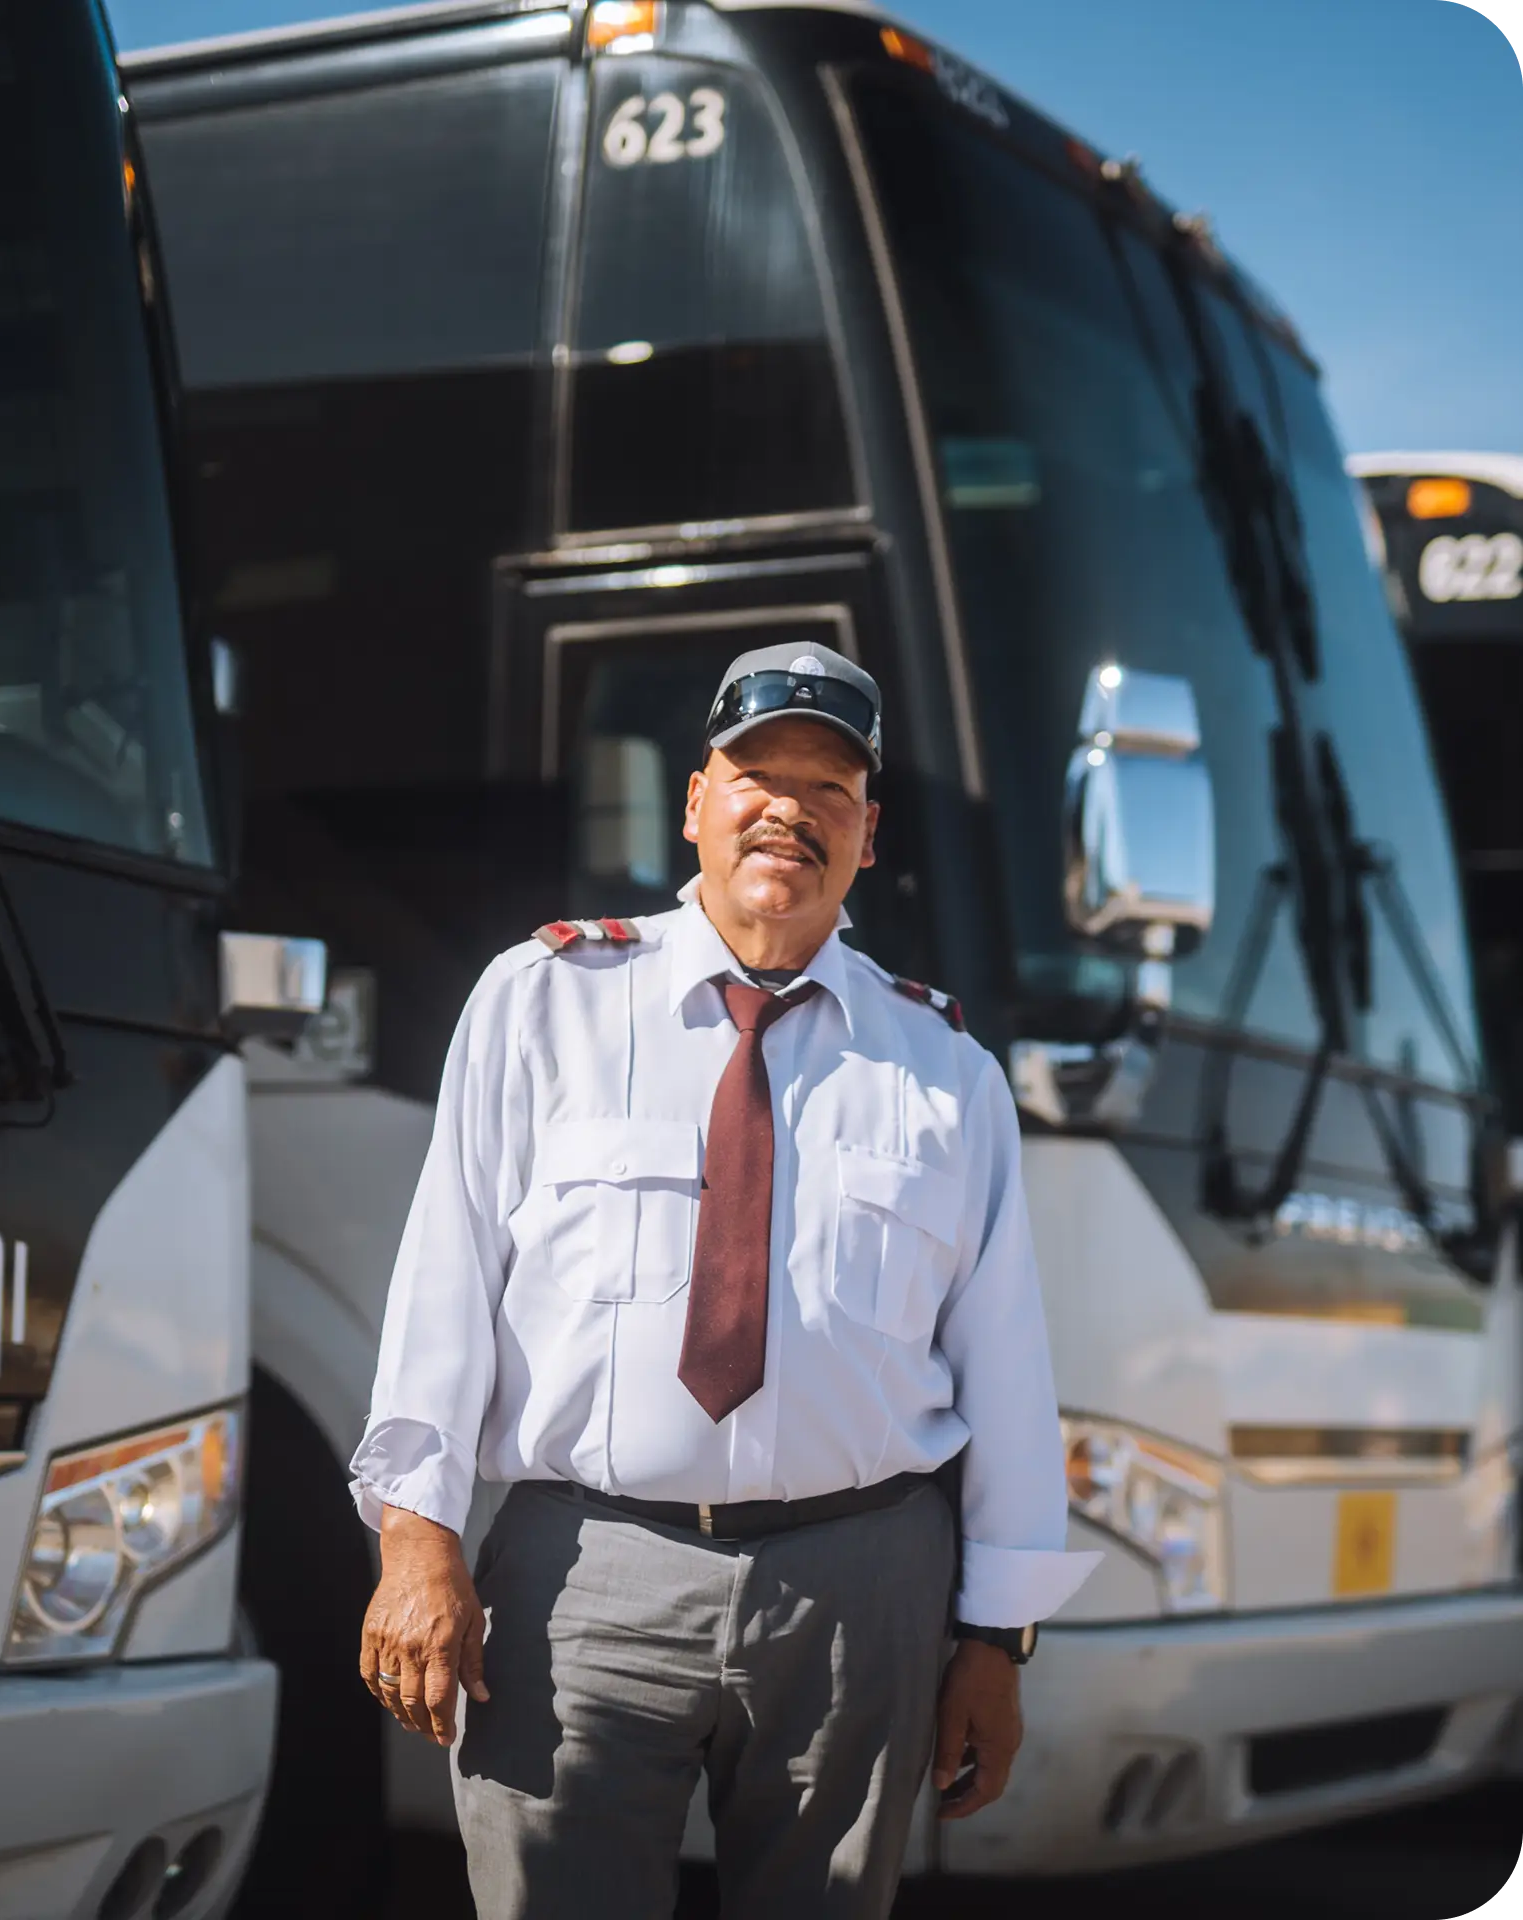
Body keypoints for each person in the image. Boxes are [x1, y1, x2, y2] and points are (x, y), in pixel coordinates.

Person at [350, 643, 1099, 1919]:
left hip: (862, 1592)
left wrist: (997, 1638)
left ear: (869, 837)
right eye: (759, 774)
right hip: (587, 1580)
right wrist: (415, 1540)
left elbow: (1006, 1369)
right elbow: (445, 1276)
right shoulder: (543, 1003)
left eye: (830, 789)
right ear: (694, 799)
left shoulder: (945, 1072)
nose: (789, 810)